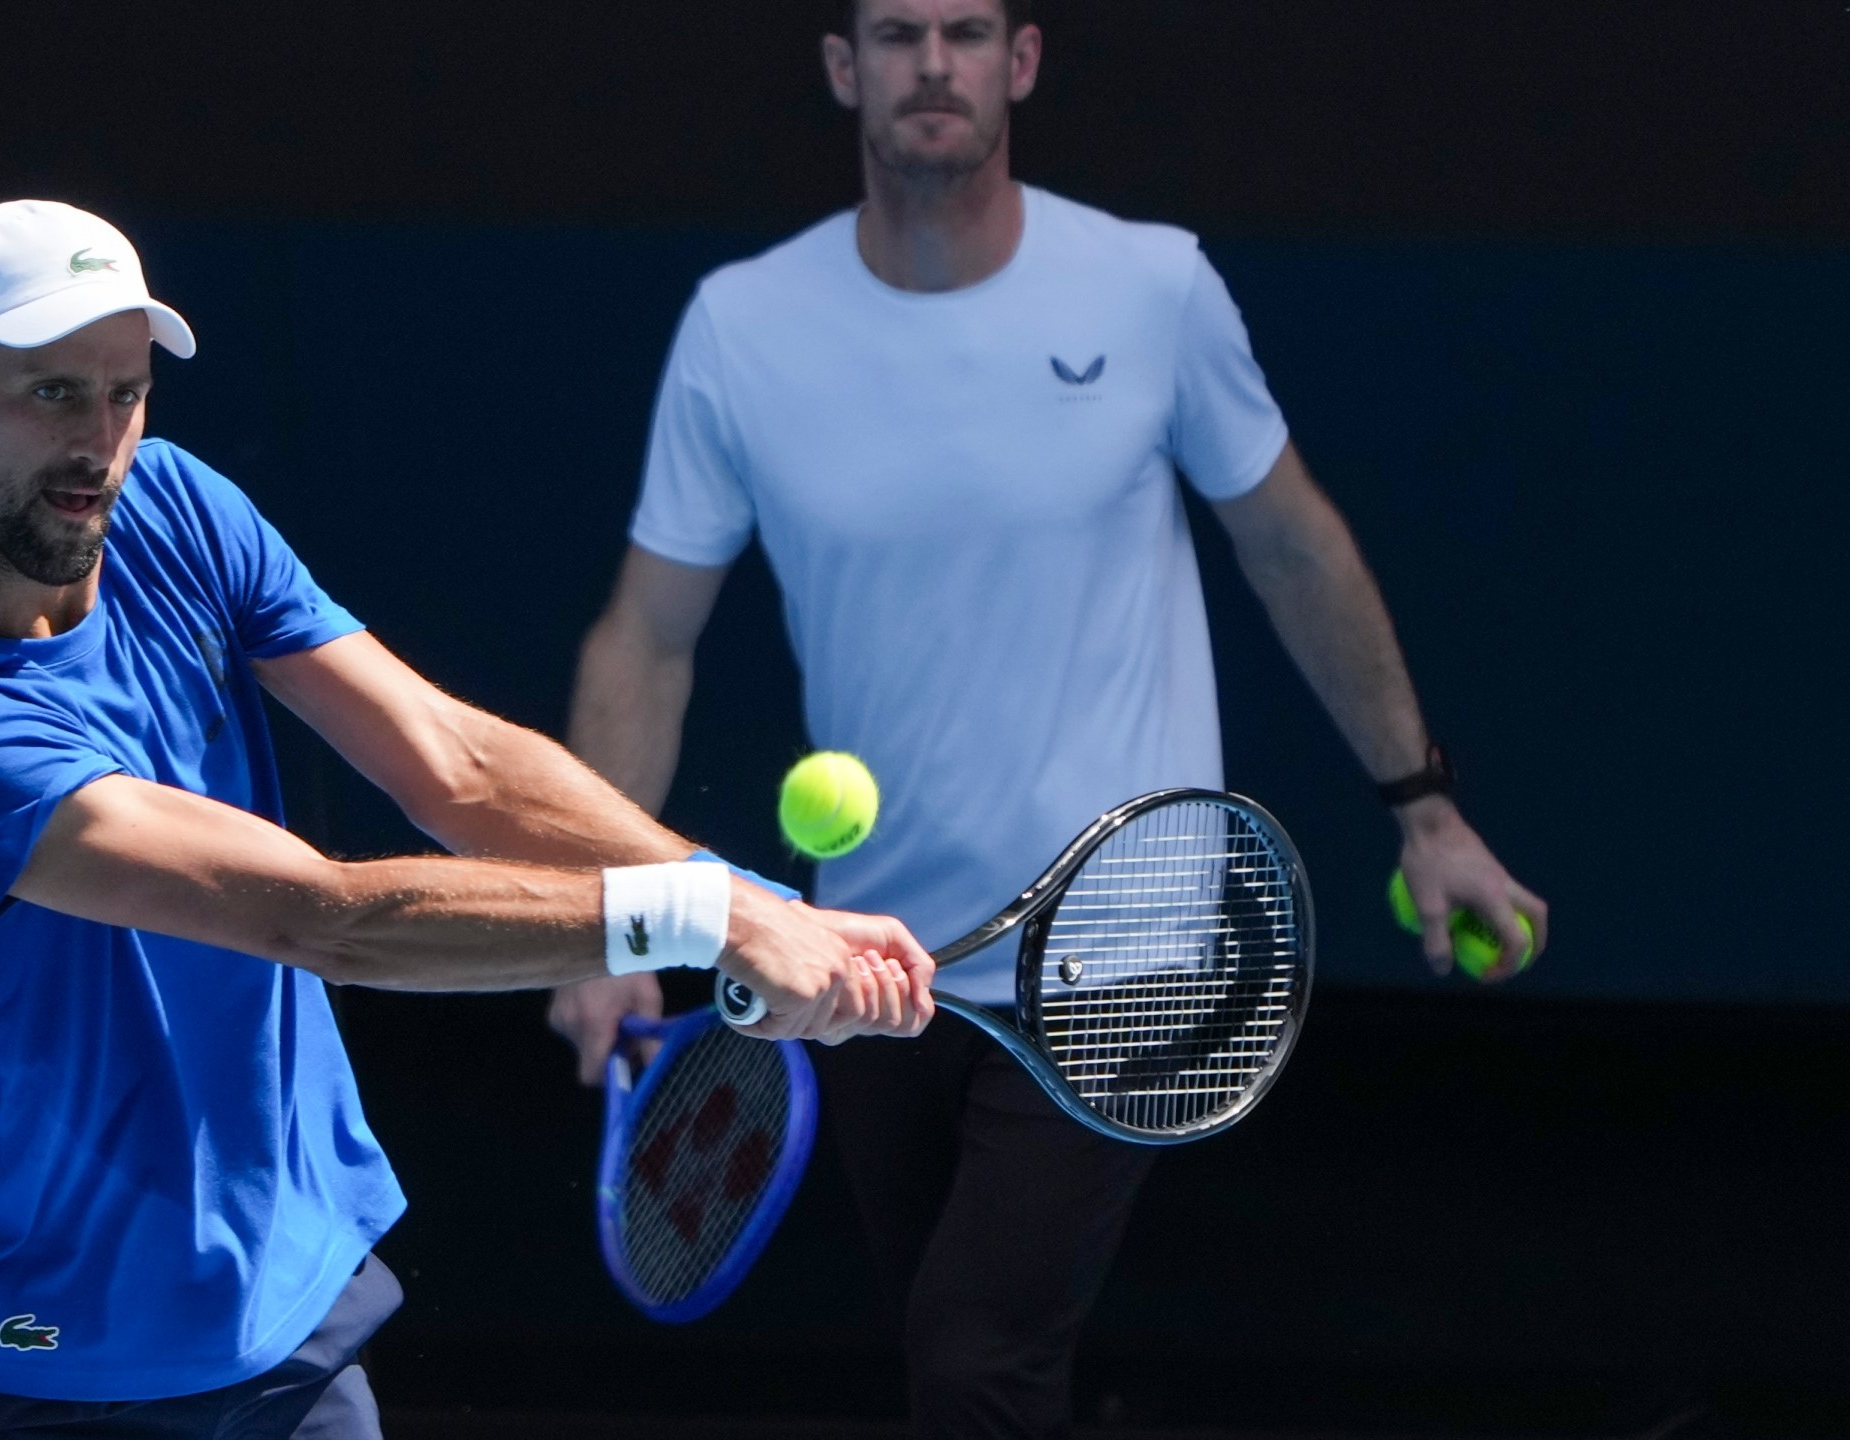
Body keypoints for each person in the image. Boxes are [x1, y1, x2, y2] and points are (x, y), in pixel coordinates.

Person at [546, 3, 1552, 1437]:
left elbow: (1293, 547)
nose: (933, 65)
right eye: (897, 36)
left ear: (1020, 64)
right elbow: (647, 638)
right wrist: (612, 921)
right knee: (960, 1357)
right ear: (847, 72)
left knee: (974, 1362)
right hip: (877, 964)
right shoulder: (744, 326)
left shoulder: (1154, 291)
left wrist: (1424, 806)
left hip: (1124, 955)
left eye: (966, 33)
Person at [0, 199, 937, 1440]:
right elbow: (319, 918)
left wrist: (759, 906)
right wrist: (703, 914)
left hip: (289, 1339)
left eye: (125, 394)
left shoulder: (170, 511)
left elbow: (454, 765)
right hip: (32, 1374)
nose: (99, 445)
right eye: (52, 395)